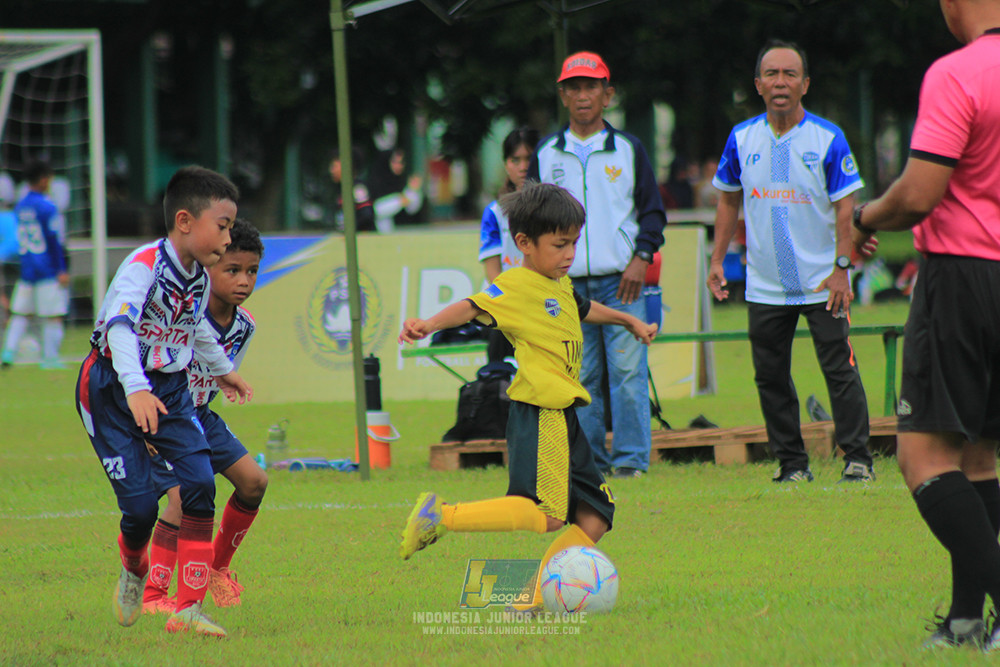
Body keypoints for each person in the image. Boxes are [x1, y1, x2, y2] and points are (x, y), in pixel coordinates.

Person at [397, 182, 657, 614]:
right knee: (545, 514)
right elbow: (471, 305)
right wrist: (428, 324)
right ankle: (441, 516)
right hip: (542, 411)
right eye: (560, 244)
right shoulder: (516, 284)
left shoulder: (559, 281)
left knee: (596, 514)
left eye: (574, 242)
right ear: (524, 244)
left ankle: (533, 598)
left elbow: (583, 307)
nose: (570, 252)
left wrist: (627, 319)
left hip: (564, 416)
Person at [850, 0, 1000, 649]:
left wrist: (863, 217)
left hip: (964, 276)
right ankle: (968, 620)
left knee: (922, 456)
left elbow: (918, 194)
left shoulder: (957, 72)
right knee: (977, 453)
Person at [74, 165, 252, 637]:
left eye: (232, 226)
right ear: (186, 221)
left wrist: (224, 370)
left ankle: (188, 608)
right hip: (112, 386)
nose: (228, 235)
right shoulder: (143, 266)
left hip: (169, 388)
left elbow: (192, 328)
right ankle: (134, 569)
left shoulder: (197, 276)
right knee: (140, 511)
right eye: (223, 224)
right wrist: (135, 388)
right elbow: (120, 328)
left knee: (198, 483)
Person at [707, 39, 875, 484]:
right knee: (770, 377)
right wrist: (717, 259)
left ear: (805, 84)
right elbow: (727, 202)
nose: (780, 82)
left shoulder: (827, 138)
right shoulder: (742, 138)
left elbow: (846, 207)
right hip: (764, 284)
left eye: (790, 74)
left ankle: (858, 458)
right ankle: (792, 465)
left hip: (823, 281)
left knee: (840, 369)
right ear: (757, 84)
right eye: (772, 74)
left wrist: (842, 267)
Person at [529, 51, 667, 479]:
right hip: (565, 286)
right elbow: (532, 219)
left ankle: (630, 464)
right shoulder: (547, 152)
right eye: (574, 88)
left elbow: (653, 213)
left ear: (607, 95)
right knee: (580, 378)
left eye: (592, 87)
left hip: (622, 281)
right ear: (563, 96)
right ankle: (589, 467)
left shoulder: (628, 148)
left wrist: (641, 258)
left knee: (628, 374)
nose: (583, 95)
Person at [142, 217, 268, 615]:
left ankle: (216, 568)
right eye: (232, 270)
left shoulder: (245, 326)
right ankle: (154, 595)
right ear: (207, 267)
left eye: (251, 271)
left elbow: (219, 373)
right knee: (182, 498)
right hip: (165, 414)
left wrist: (226, 384)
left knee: (254, 482)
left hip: (200, 414)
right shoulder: (181, 314)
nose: (243, 281)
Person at [1, 160, 69, 369]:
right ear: (43, 179)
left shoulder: (21, 206)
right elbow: (53, 240)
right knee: (53, 316)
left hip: (27, 269)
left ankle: (8, 353)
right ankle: (50, 358)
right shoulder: (47, 206)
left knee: (21, 314)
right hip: (47, 269)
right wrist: (61, 269)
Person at [479, 126, 538, 363]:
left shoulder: (555, 206)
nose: (523, 166)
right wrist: (515, 303)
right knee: (503, 375)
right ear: (506, 164)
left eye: (529, 158)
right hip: (506, 305)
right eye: (515, 160)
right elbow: (493, 273)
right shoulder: (494, 212)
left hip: (545, 303)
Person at [369, 147, 423, 233]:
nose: (398, 166)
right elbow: (377, 210)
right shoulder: (378, 181)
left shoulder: (405, 181)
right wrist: (399, 201)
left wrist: (413, 191)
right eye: (394, 162)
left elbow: (413, 209)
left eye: (401, 163)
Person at [328, 149, 375, 232]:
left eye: (335, 166)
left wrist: (350, 229)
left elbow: (367, 215)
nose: (331, 170)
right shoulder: (339, 188)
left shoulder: (358, 188)